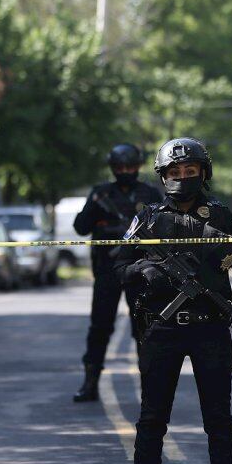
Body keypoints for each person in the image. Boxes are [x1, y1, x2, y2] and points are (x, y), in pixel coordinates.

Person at [114, 137, 232, 464]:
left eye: (190, 171)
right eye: (175, 172)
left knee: (218, 420)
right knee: (151, 420)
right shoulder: (148, 218)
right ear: (163, 176)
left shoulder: (221, 216)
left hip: (210, 330)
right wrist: (140, 271)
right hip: (161, 330)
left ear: (203, 173)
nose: (182, 177)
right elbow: (118, 265)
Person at [71, 144, 162, 402]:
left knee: (144, 328)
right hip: (107, 270)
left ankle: (151, 388)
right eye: (119, 168)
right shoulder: (101, 194)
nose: (124, 172)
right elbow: (80, 227)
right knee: (100, 327)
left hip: (140, 271)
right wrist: (96, 212)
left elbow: (165, 229)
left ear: (138, 167)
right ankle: (90, 383)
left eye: (129, 167)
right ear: (112, 168)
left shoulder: (150, 194)